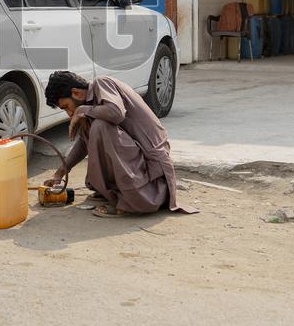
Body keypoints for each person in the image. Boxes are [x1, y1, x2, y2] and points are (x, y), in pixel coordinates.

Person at [44, 71, 197, 218]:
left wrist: (81, 110)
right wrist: (60, 173)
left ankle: (130, 202)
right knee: (96, 127)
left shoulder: (101, 83)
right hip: (141, 169)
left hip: (153, 178)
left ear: (76, 93)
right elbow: (85, 142)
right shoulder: (91, 108)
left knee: (100, 126)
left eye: (66, 107)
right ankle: (117, 192)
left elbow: (116, 113)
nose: (69, 113)